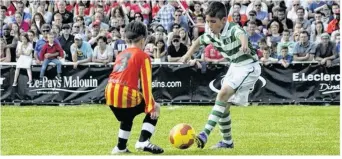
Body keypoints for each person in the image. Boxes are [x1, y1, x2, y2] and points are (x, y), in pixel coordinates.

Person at [180, 1, 261, 149]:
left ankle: (204, 134)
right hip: (235, 66)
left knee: (222, 95)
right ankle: (227, 142)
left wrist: (244, 44)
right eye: (207, 21)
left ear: (224, 20)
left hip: (248, 66)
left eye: (213, 21)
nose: (209, 25)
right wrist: (188, 54)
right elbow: (198, 41)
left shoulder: (233, 29)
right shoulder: (211, 34)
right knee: (224, 106)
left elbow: (241, 34)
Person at [105, 21, 163, 154]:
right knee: (156, 107)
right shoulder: (143, 56)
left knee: (127, 116)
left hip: (109, 92)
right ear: (143, 39)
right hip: (124, 92)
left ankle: (120, 148)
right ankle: (143, 141)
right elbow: (146, 84)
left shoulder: (121, 54)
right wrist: (150, 107)